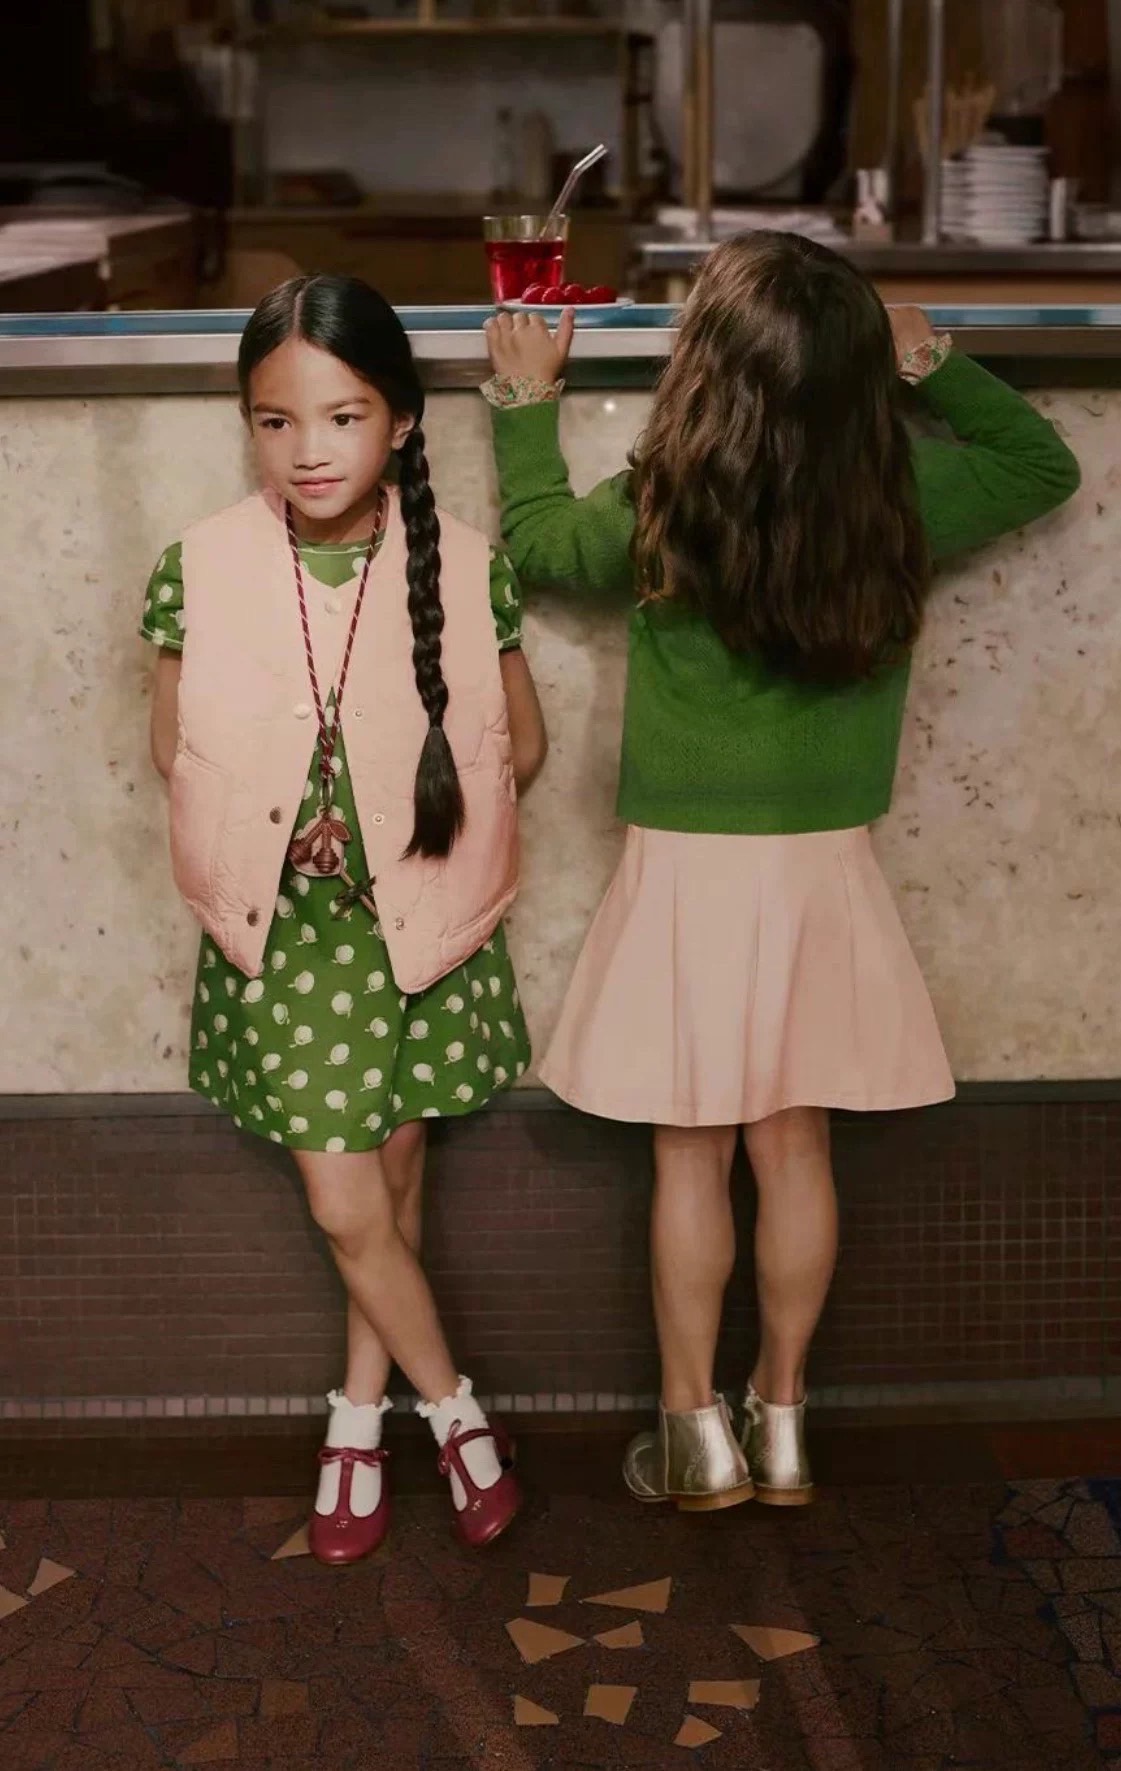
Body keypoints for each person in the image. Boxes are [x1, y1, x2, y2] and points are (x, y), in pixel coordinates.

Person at [483, 232, 1080, 1511]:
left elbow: (537, 546)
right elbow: (1042, 465)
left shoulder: (666, 494)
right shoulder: (898, 494)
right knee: (794, 1144)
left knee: (689, 1155)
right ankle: (786, 1421)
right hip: (822, 866)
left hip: (685, 868)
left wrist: (525, 401)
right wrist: (929, 360)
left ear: (703, 368)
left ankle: (692, 1433)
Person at [142, 275, 548, 1558]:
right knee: (345, 1201)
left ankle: (356, 1424)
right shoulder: (201, 568)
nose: (307, 449)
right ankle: (457, 1413)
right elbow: (175, 751)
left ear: (401, 422)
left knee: (392, 1181)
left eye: (342, 415)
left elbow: (522, 747)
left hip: (418, 923)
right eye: (274, 421)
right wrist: (293, 820)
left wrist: (390, 822)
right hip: (291, 937)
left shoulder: (464, 568)